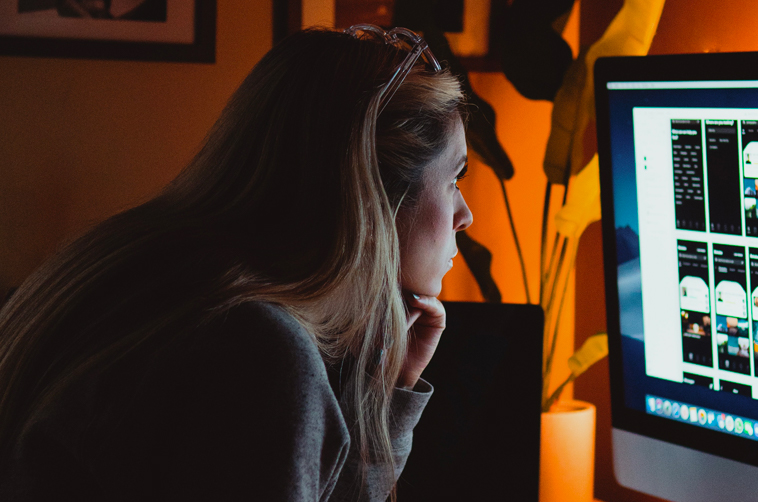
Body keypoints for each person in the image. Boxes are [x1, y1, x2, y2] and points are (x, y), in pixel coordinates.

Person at [0, 25, 471, 501]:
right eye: (455, 178)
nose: (465, 215)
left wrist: (385, 393)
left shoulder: (130, 268)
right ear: (376, 188)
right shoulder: (255, 352)